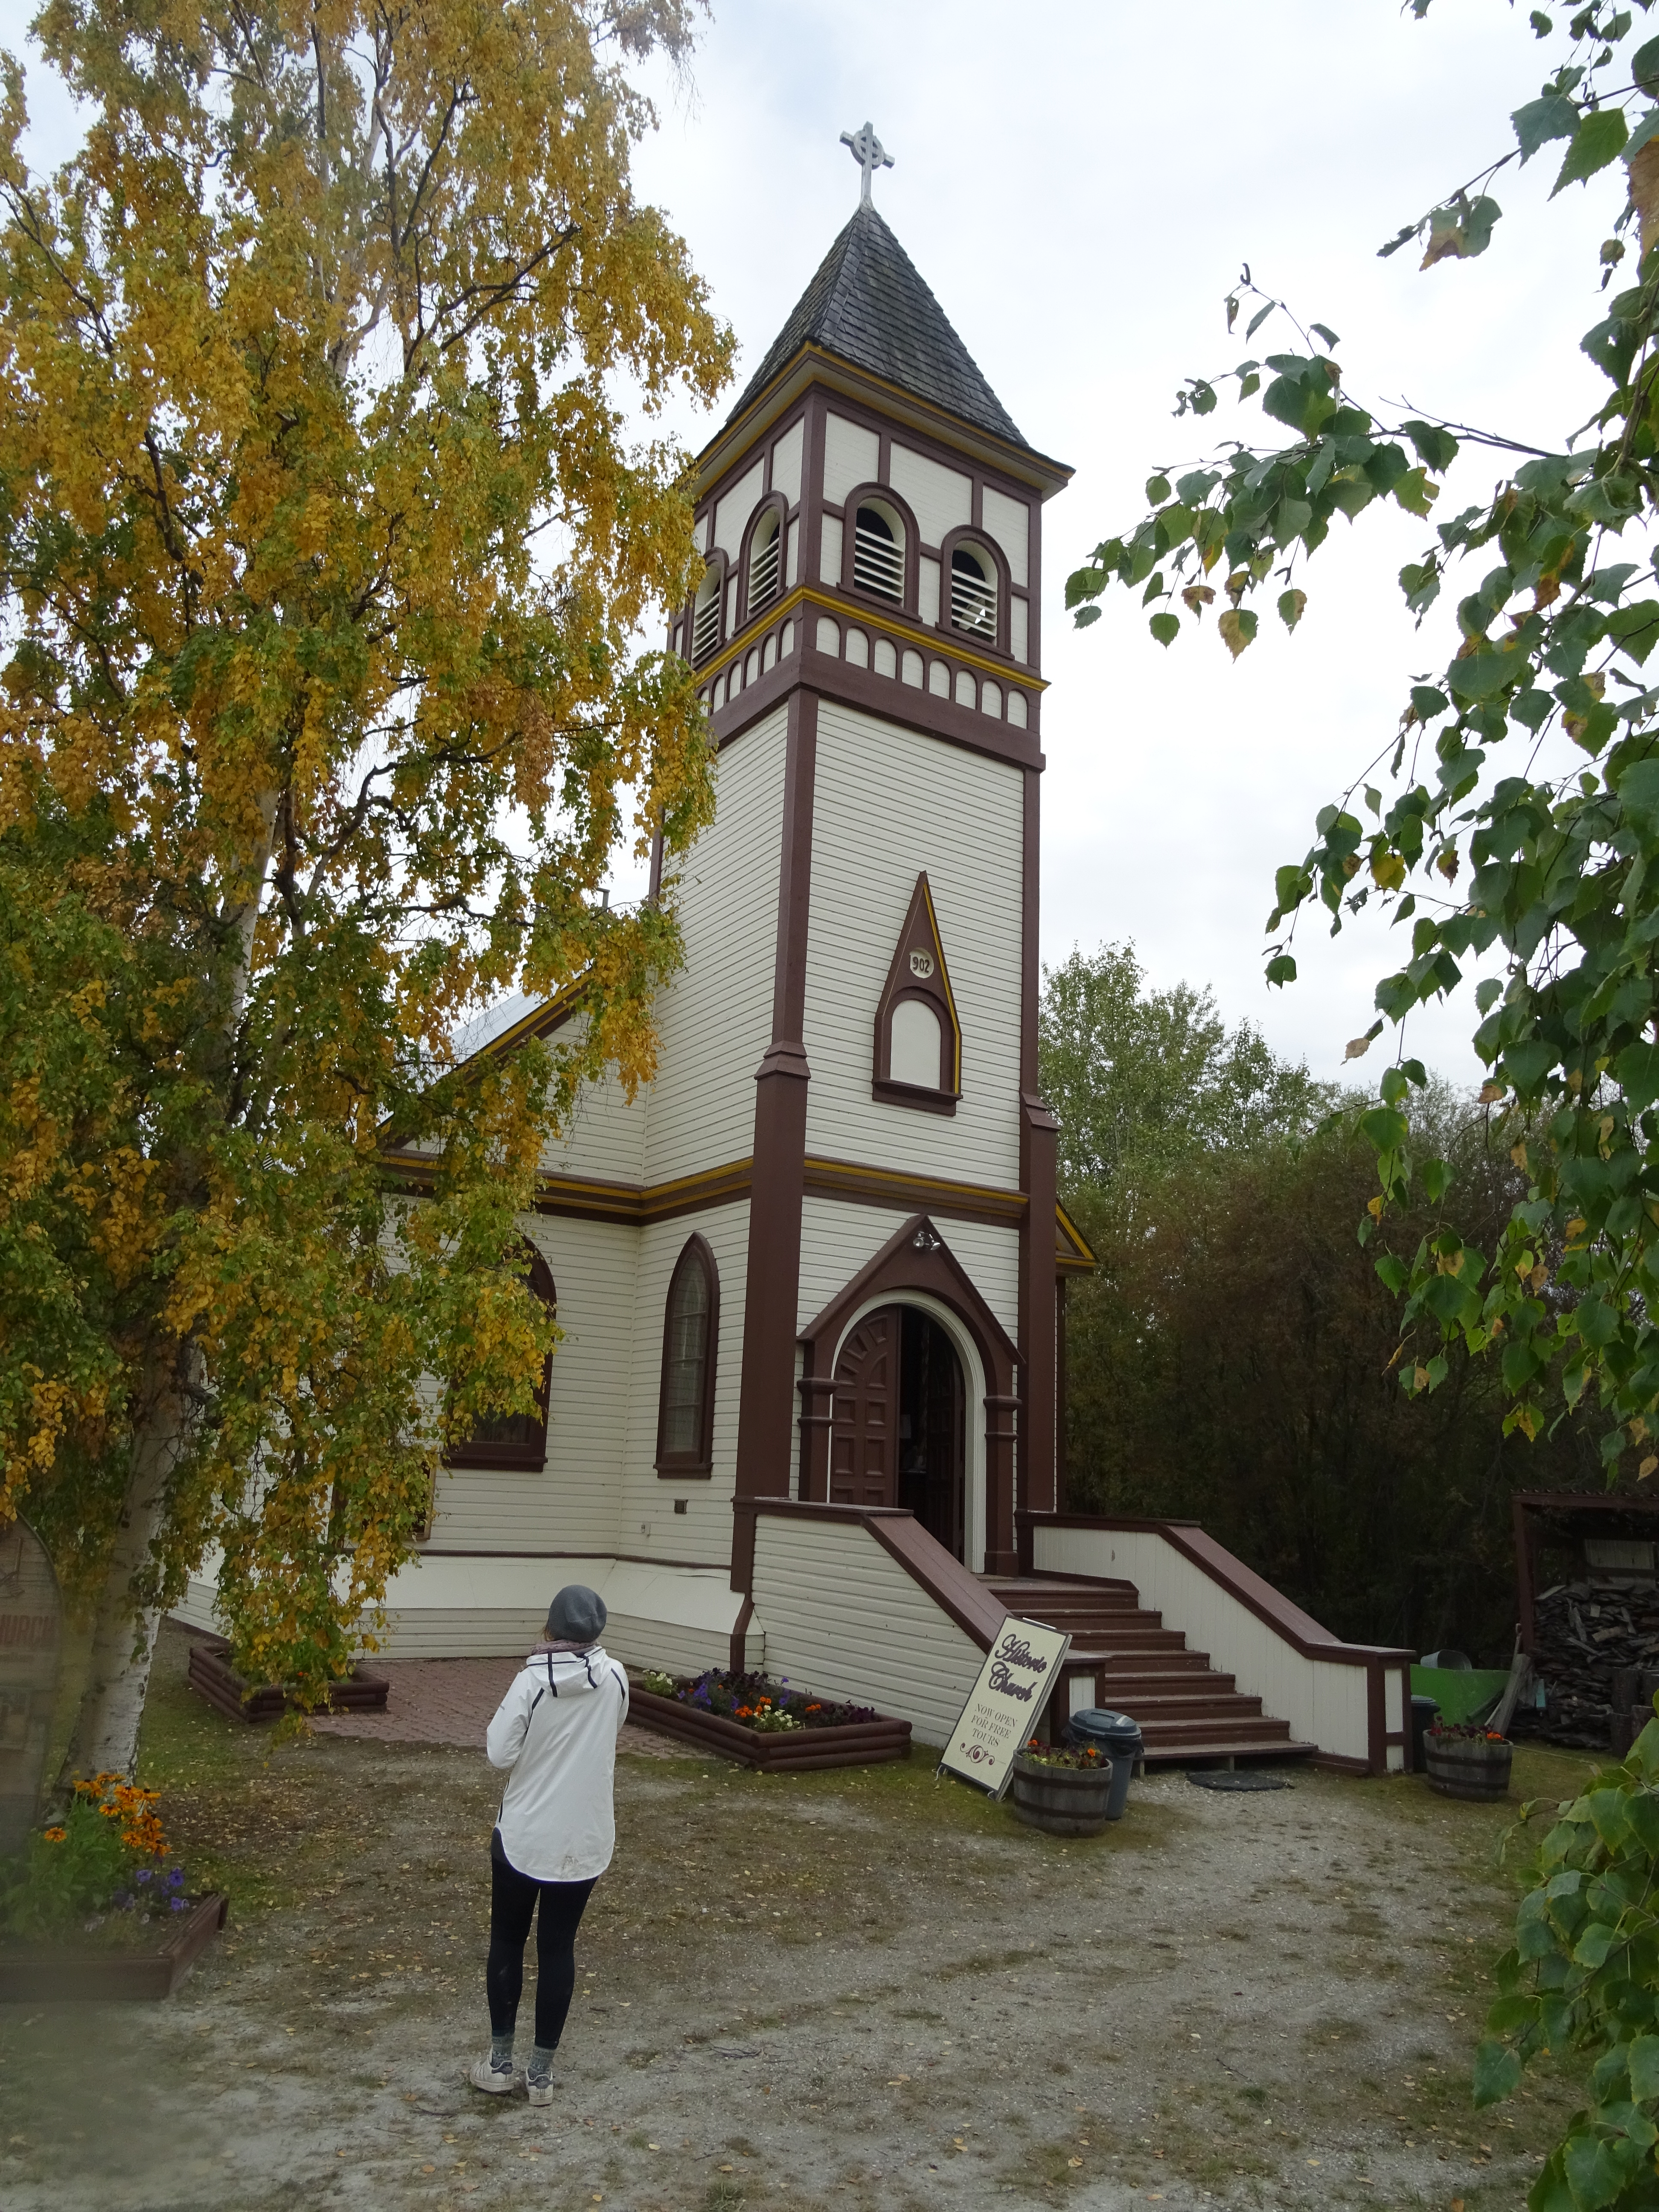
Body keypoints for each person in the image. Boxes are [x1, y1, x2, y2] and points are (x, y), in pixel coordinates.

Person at [469, 1584, 628, 2104]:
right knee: (559, 1947)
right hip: (584, 1838)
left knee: (508, 1941)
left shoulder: (531, 1682)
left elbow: (498, 1752)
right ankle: (541, 2076)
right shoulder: (617, 1678)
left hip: (524, 1834)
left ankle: (498, 2063)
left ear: (551, 1627)